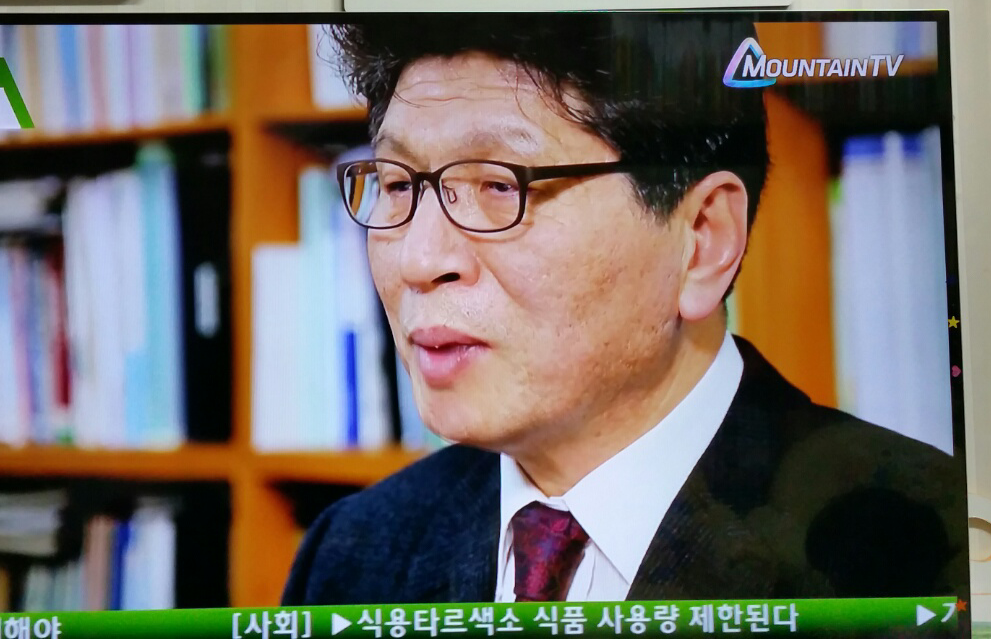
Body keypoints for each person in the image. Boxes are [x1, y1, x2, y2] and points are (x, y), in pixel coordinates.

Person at [282, 14, 965, 605]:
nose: (418, 259)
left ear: (702, 240)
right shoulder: (352, 554)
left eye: (499, 185)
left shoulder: (923, 556)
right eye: (398, 184)